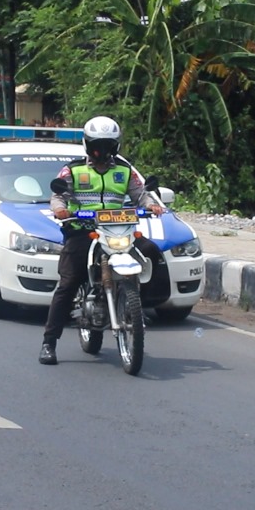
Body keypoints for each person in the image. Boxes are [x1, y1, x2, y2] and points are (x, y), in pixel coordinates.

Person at [39, 116, 165, 366]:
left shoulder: (125, 171)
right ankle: (49, 342)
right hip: (82, 230)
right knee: (69, 282)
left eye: (108, 145)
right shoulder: (73, 170)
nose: (103, 150)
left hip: (119, 230)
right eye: (98, 144)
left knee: (152, 253)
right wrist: (60, 209)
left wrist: (152, 205)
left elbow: (141, 195)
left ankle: (137, 308)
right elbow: (58, 196)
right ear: (87, 144)